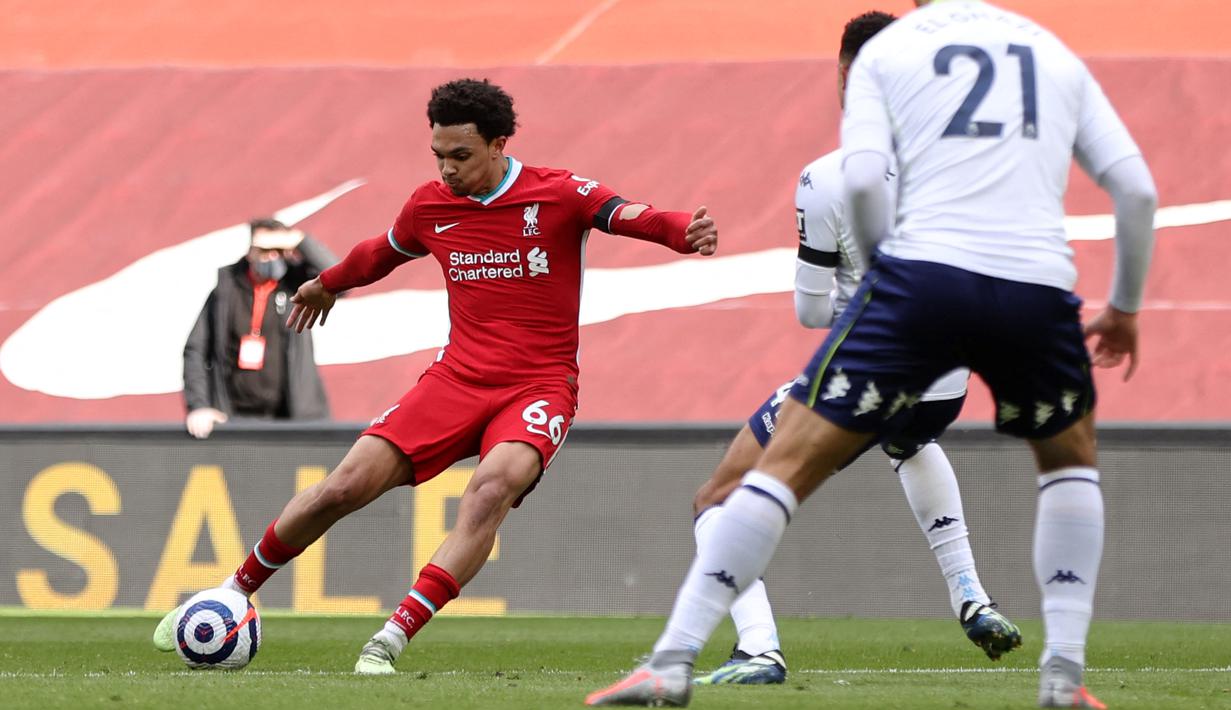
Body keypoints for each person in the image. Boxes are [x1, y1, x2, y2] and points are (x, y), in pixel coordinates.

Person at [587, 0, 1156, 706]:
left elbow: (858, 181)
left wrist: (888, 287)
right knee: (1066, 468)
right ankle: (1062, 676)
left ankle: (675, 659)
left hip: (922, 286)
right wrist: (1124, 309)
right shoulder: (1049, 51)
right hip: (1033, 285)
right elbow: (1135, 189)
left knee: (775, 468)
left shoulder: (890, 55)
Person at [154, 78, 719, 673]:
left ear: (500, 144)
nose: (447, 170)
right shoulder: (431, 205)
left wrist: (682, 231)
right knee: (343, 487)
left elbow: (628, 214)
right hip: (455, 381)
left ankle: (390, 638)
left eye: (461, 156)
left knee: (491, 489)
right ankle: (232, 591)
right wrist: (327, 283)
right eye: (438, 156)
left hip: (539, 386)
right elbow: (381, 251)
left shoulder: (557, 193)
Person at [690, 10, 1018, 688]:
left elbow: (811, 311)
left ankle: (759, 650)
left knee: (718, 499)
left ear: (848, 76)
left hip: (861, 376)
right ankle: (970, 598)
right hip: (944, 386)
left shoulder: (828, 177)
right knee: (909, 443)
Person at [182, 218, 336, 439]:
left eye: (279, 250)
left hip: (292, 420)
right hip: (233, 419)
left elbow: (339, 280)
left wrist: (300, 241)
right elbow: (195, 349)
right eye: (264, 250)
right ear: (250, 251)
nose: (272, 257)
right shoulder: (227, 289)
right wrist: (199, 405)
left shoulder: (299, 285)